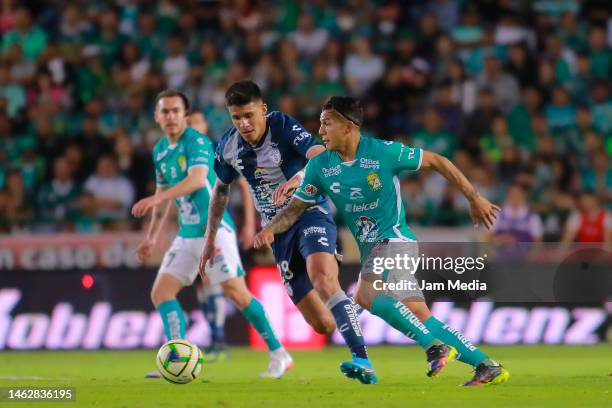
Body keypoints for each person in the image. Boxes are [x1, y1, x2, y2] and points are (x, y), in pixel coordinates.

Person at [254, 96, 510, 386]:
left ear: (349, 126)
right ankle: (487, 365)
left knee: (365, 296)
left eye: (327, 123)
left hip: (396, 240)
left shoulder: (383, 152)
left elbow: (437, 160)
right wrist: (270, 230)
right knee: (419, 314)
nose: (320, 131)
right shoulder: (320, 166)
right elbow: (295, 209)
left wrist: (474, 198)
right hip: (374, 250)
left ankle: (434, 348)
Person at [200, 80, 377, 384]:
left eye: (249, 115)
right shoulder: (228, 146)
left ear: (263, 110)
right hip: (278, 232)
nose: (244, 124)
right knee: (322, 324)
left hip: (309, 210)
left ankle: (362, 360)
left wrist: (297, 178)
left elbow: (320, 153)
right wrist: (209, 239)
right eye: (236, 117)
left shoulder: (281, 125)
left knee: (322, 277)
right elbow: (219, 192)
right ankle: (354, 306)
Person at [132, 89, 291, 378]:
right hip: (188, 233)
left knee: (235, 292)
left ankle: (279, 353)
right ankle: (177, 355)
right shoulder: (160, 150)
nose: (170, 116)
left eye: (175, 111)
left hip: (214, 232)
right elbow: (164, 192)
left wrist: (156, 200)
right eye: (164, 111)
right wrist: (152, 236)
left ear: (185, 115)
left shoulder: (197, 142)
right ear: (157, 116)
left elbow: (195, 181)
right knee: (161, 292)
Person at [189, 110, 257, 360]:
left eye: (197, 121)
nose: (193, 126)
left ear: (205, 124)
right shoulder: (186, 156)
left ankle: (220, 342)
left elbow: (244, 184)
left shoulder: (218, 150)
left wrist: (249, 224)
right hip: (193, 230)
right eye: (189, 123)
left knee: (217, 281)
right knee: (202, 285)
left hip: (218, 227)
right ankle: (215, 339)